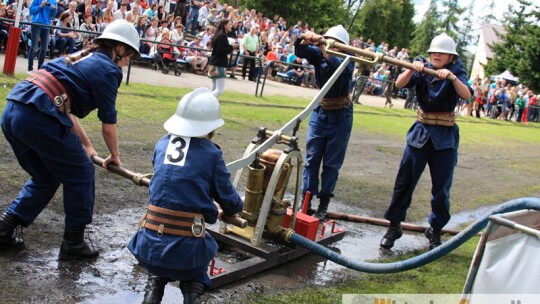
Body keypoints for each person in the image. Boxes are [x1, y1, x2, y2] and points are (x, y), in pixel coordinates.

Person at [0, 20, 140, 260]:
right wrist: (114, 156)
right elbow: (108, 124)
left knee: (46, 175)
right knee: (82, 174)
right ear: (118, 48)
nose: (129, 60)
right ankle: (74, 241)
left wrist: (87, 146)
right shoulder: (108, 70)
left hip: (15, 110)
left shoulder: (76, 58)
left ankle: (4, 229)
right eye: (130, 54)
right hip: (38, 116)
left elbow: (63, 106)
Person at [128, 87, 244, 304]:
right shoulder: (211, 153)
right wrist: (234, 209)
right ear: (211, 126)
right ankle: (192, 296)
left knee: (159, 267)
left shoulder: (162, 143)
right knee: (195, 268)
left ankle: (152, 291)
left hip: (148, 245)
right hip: (186, 252)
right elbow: (228, 199)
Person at [379, 33, 473, 250]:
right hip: (420, 134)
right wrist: (412, 68)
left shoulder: (457, 71)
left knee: (441, 189)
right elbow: (400, 84)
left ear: (451, 57)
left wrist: (451, 77)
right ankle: (394, 227)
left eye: (442, 52)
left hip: (445, 139)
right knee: (404, 182)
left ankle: (436, 229)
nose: (436, 55)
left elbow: (467, 95)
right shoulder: (421, 66)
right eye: (434, 52)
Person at [295, 25, 355, 221]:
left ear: (344, 47)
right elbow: (300, 51)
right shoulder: (318, 54)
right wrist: (305, 39)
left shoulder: (349, 60)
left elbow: (338, 65)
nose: (331, 46)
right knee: (312, 159)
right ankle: (306, 201)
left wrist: (323, 45)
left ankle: (323, 204)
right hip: (321, 112)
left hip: (341, 115)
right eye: (329, 41)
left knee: (331, 163)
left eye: (336, 44)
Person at [27, 0, 58, 73]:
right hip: (36, 23)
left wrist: (54, 9)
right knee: (34, 46)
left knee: (44, 48)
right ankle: (30, 68)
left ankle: (40, 68)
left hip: (46, 25)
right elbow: (31, 11)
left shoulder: (53, 1)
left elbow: (53, 16)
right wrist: (41, 6)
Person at [208, 19, 233, 97]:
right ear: (224, 25)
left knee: (213, 87)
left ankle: (208, 105)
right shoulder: (222, 35)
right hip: (219, 64)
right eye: (229, 24)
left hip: (214, 63)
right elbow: (220, 50)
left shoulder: (218, 34)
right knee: (219, 90)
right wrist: (232, 47)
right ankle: (204, 99)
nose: (231, 25)